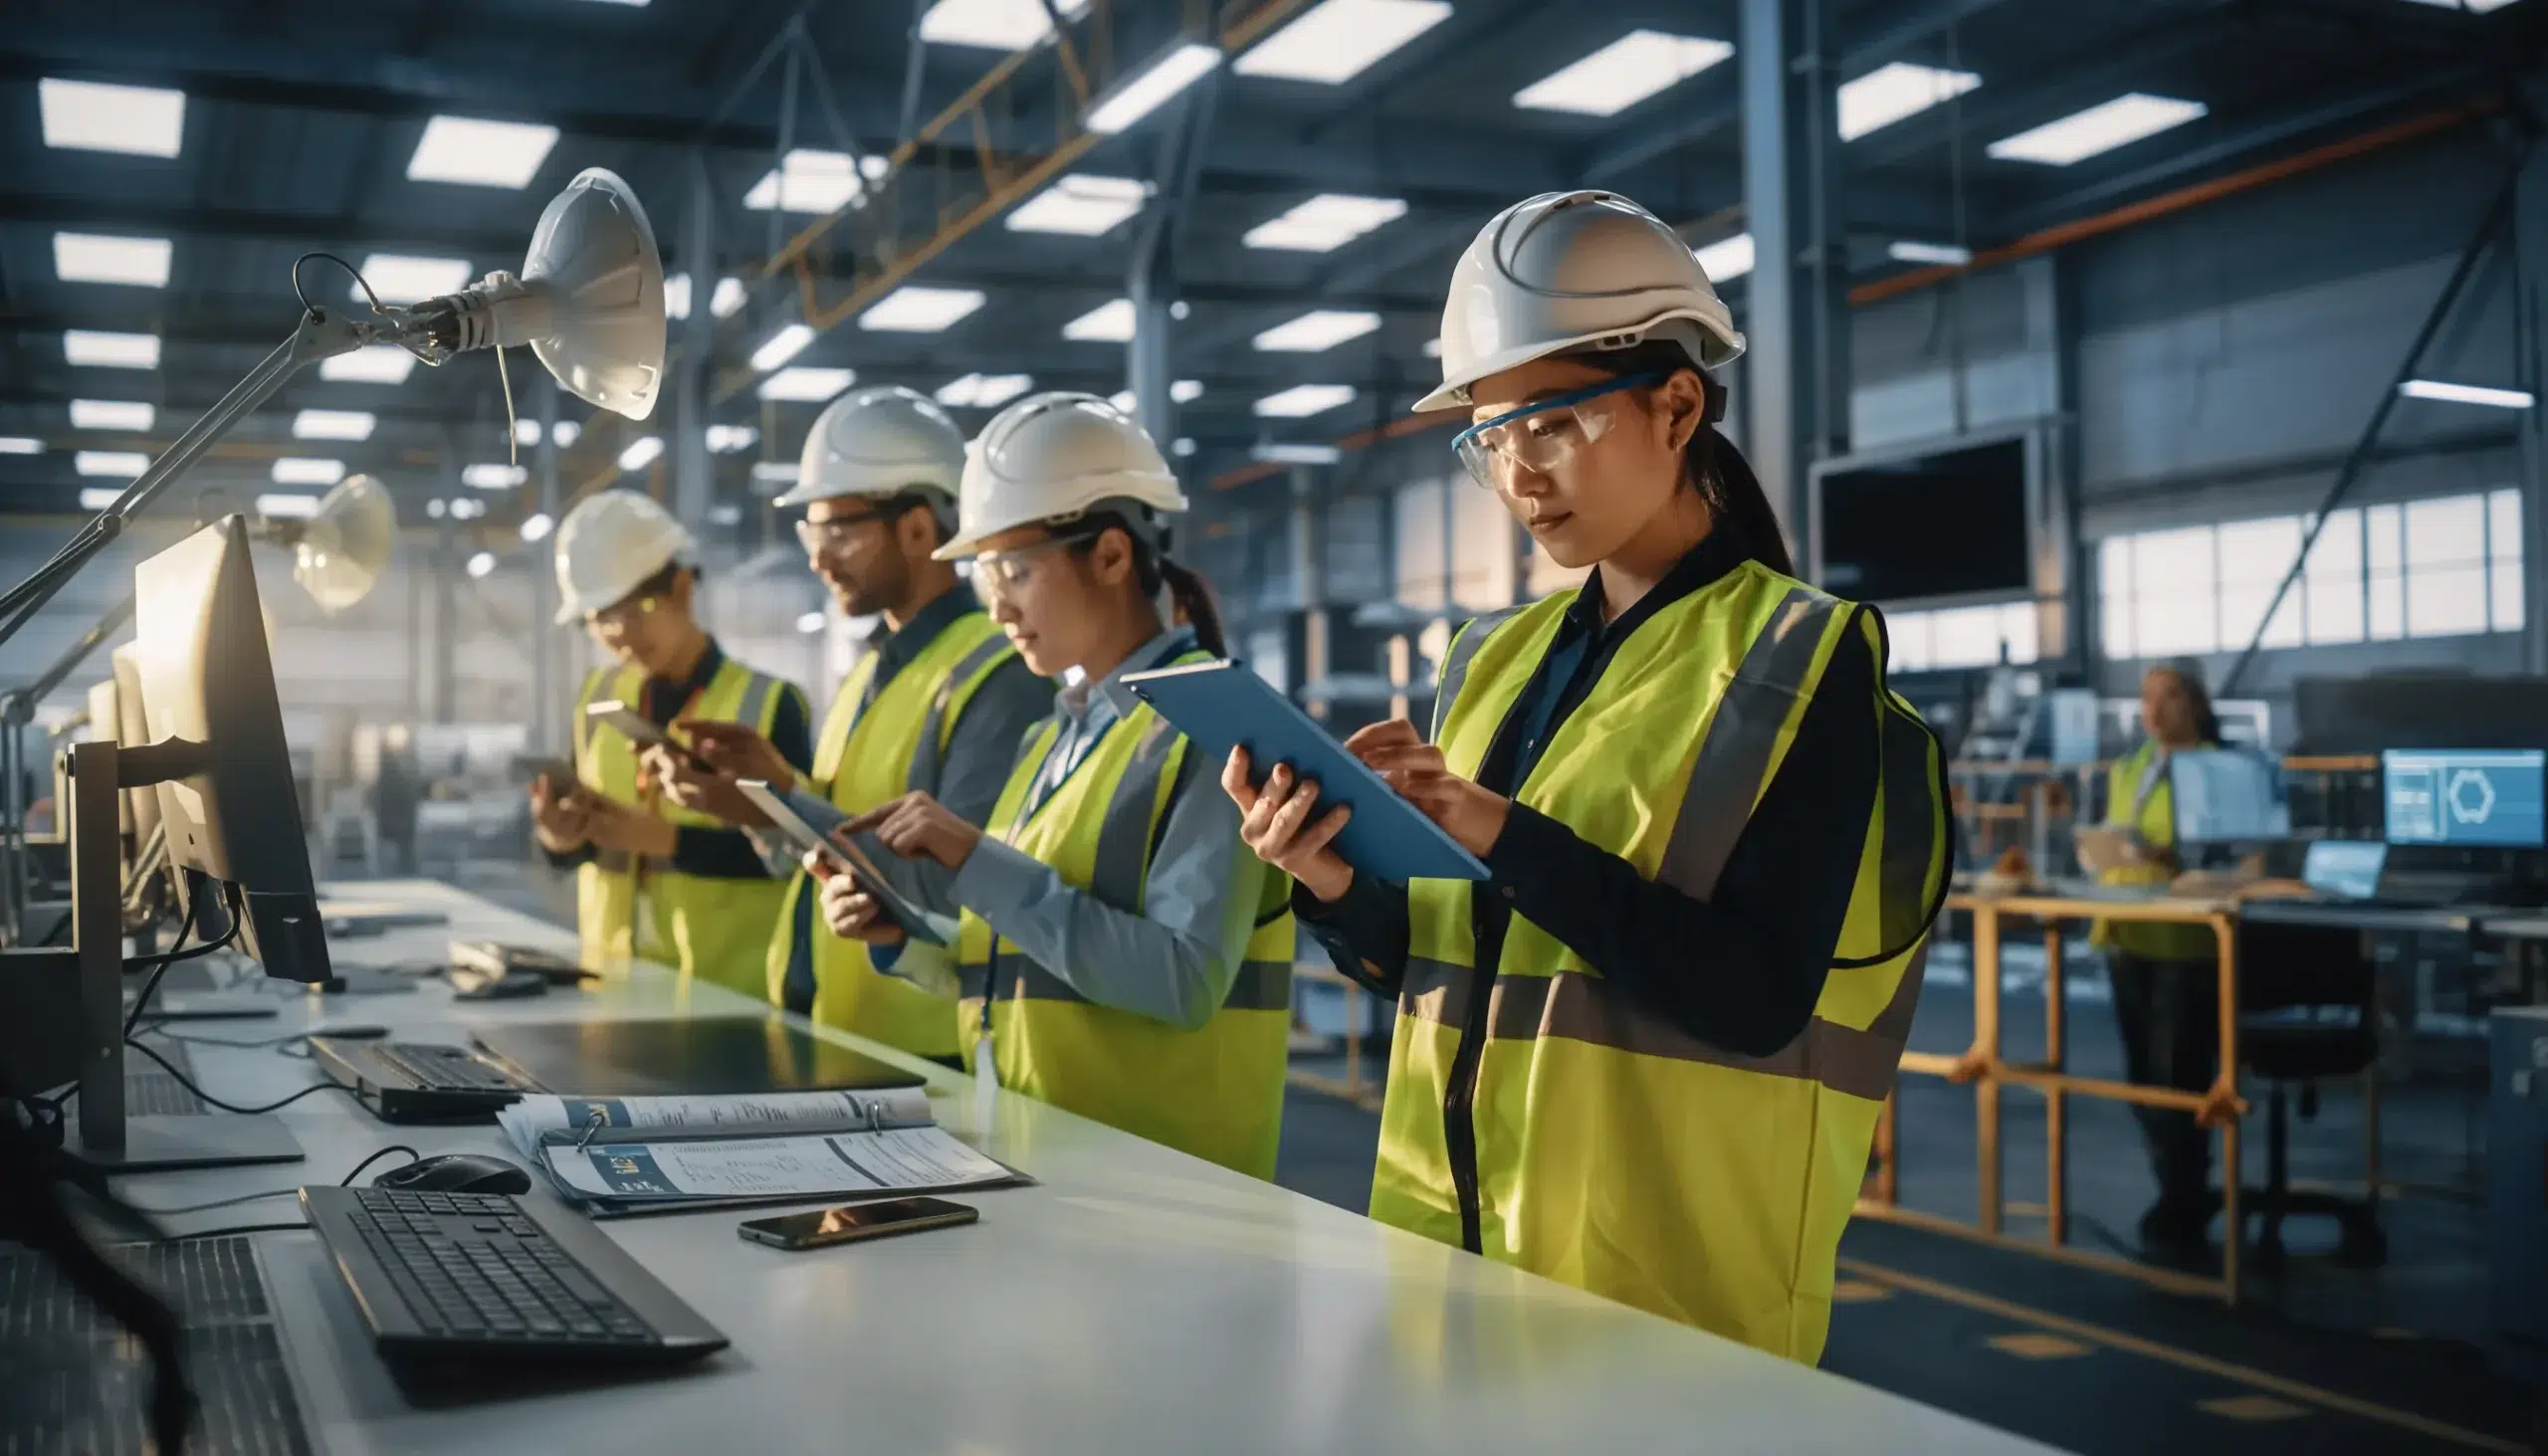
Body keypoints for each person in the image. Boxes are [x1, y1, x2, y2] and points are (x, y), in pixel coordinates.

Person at [1222, 191, 1950, 1363]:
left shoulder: (1799, 661)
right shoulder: (1490, 660)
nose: (1517, 473)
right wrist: (1328, 878)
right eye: (1488, 437)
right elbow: (1434, 960)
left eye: (1551, 421)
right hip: (1437, 1265)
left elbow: (1757, 999)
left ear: (1676, 405)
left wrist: (1504, 832)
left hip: (1659, 1304)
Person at [813, 393, 1294, 1178]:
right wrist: (901, 941)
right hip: (1049, 1158)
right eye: (983, 573)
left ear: (1109, 556)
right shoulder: (1055, 735)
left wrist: (976, 859)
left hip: (1173, 1188)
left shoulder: (1214, 730)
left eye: (1017, 571)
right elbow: (1018, 959)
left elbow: (1183, 978)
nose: (996, 605)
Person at [653, 386, 1051, 1060]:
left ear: (921, 527)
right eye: (811, 531)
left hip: (926, 1051)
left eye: (839, 530)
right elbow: (832, 841)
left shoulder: (999, 674)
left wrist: (785, 800)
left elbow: (962, 885)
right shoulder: (869, 670)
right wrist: (765, 792)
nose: (816, 556)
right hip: (841, 1029)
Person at [529, 489, 811, 996]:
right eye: (598, 619)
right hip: (611, 987)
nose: (617, 635)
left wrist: (666, 841)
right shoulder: (597, 698)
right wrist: (559, 838)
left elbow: (801, 858)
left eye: (633, 611)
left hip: (732, 999)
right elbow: (582, 844)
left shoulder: (770, 705)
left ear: (682, 588)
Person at [2086, 659, 2228, 1258]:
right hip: (2128, 933)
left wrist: (2175, 859)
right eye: (2147, 697)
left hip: (2185, 940)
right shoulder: (2130, 769)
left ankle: (2185, 1195)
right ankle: (2173, 1190)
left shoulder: (2219, 769)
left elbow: (2228, 851)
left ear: (2194, 704)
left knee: (2178, 1073)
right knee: (2144, 1078)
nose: (2154, 708)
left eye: (2168, 696)